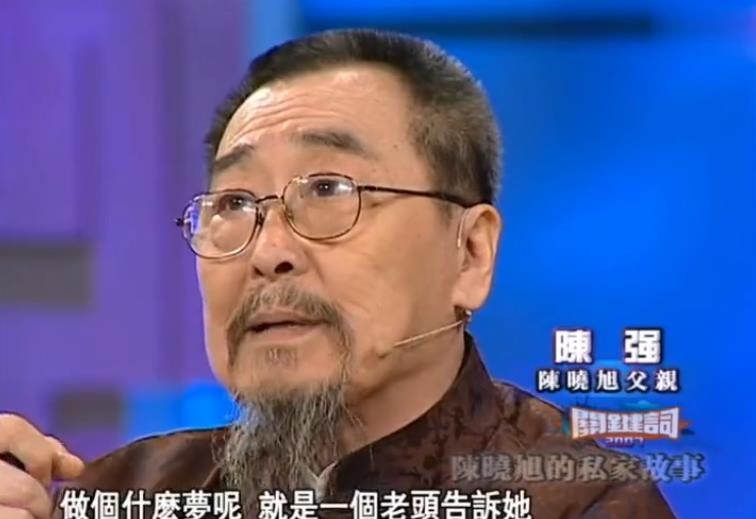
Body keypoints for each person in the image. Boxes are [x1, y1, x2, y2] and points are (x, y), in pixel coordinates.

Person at [0, 29, 676, 519]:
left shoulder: (582, 501)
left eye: (328, 190)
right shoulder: (131, 493)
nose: (269, 251)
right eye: (234, 204)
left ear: (470, 253)